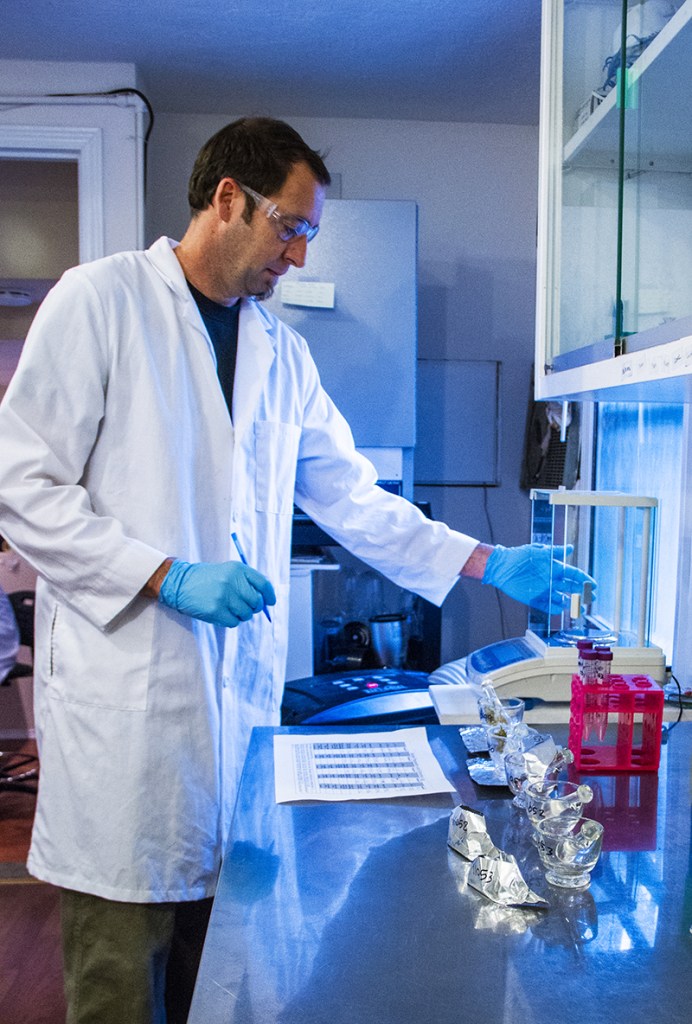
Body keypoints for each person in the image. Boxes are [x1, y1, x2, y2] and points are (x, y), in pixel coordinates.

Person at [0, 117, 593, 1023]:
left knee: (225, 977)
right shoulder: (101, 302)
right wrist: (163, 573)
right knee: (117, 988)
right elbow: (22, 483)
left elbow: (351, 497)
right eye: (292, 226)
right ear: (227, 199)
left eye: (310, 233)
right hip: (127, 728)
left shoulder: (280, 352)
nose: (300, 257)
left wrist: (485, 559)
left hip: (235, 726)